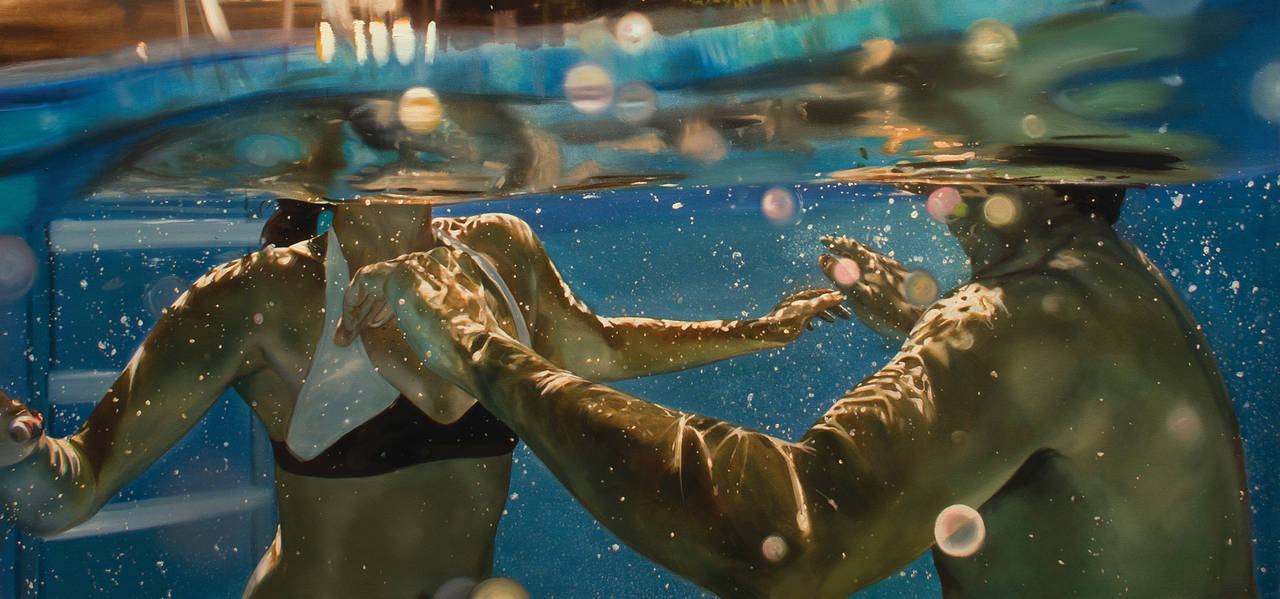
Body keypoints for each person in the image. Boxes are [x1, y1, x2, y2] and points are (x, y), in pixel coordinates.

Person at [339, 184, 1258, 598]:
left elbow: (784, 539)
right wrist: (924, 325)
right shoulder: (1107, 286)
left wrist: (480, 347)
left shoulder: (1029, 316)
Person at [0, 198, 847, 599]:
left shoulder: (500, 250)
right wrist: (16, 456)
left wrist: (759, 329)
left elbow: (594, 348)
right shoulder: (253, 299)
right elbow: (65, 493)